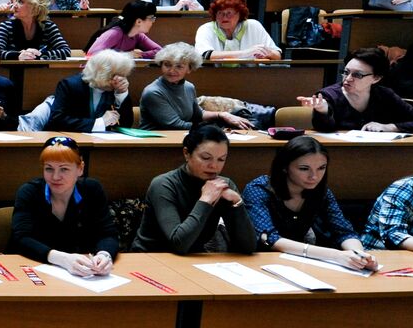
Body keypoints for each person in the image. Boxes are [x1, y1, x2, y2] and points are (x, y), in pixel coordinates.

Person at [243, 136, 377, 271]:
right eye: (304, 168)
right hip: (260, 262)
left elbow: (343, 231)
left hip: (300, 261)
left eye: (321, 168)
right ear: (284, 167)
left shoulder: (321, 192)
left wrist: (359, 255)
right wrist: (335, 255)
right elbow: (270, 239)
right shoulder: (259, 189)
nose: (314, 176)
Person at [131, 125, 257, 254]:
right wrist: (205, 200)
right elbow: (178, 244)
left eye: (221, 159)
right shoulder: (163, 184)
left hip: (192, 259)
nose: (214, 166)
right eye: (206, 158)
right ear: (187, 153)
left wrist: (237, 202)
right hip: (150, 258)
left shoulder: (223, 185)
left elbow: (248, 248)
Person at [11, 136, 118, 275]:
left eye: (64, 169)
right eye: (49, 169)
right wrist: (62, 259)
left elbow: (108, 234)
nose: (55, 177)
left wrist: (104, 255)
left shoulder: (92, 190)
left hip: (83, 274)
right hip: (32, 269)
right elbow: (21, 239)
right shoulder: (29, 192)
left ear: (80, 169)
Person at [296, 48, 413, 134]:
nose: (348, 79)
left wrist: (390, 127)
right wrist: (323, 111)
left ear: (376, 78)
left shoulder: (385, 95)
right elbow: (324, 130)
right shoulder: (328, 95)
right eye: (346, 72)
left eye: (357, 75)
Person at [138, 42, 255, 131]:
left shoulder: (189, 87)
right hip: (156, 144)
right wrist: (217, 129)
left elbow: (198, 114)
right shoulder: (153, 92)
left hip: (183, 137)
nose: (172, 71)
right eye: (167, 65)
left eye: (179, 66)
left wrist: (222, 115)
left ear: (189, 69)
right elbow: (175, 124)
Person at [47, 49, 136, 132]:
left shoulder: (116, 89)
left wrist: (121, 94)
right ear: (102, 74)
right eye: (117, 75)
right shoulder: (70, 85)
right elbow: (57, 120)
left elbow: (126, 124)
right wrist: (100, 123)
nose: (121, 80)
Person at [194, 0, 281, 61]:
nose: (224, 17)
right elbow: (205, 55)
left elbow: (277, 55)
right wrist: (246, 53)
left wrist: (266, 54)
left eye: (229, 13)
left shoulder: (254, 26)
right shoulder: (205, 29)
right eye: (220, 13)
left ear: (240, 14)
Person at [0, 0, 71, 60]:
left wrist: (39, 55)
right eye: (16, 1)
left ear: (35, 7)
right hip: (13, 71)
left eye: (20, 2)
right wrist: (18, 56)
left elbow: (66, 51)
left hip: (41, 71)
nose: (14, 5)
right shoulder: (6, 26)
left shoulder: (48, 26)